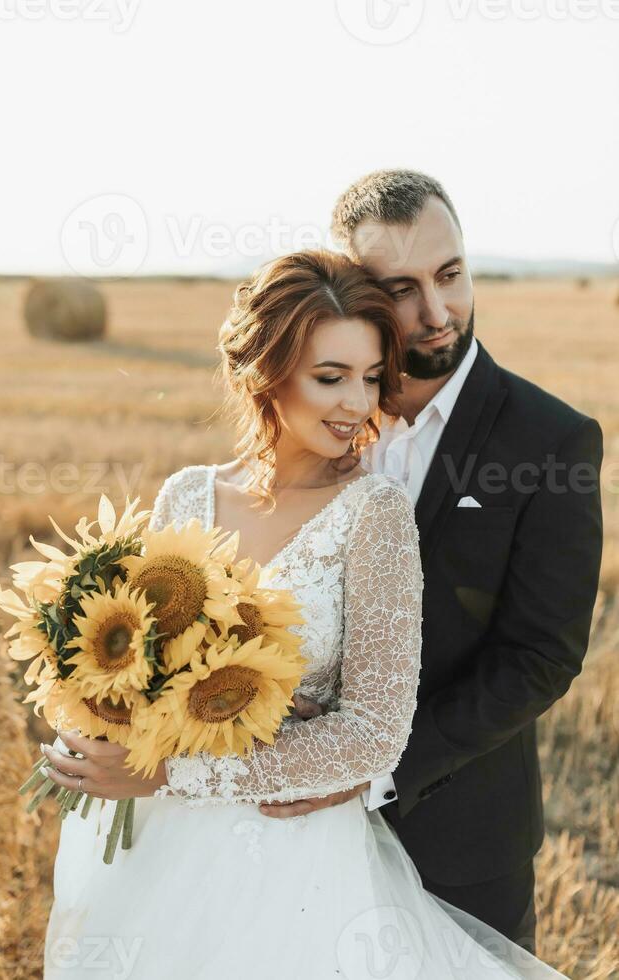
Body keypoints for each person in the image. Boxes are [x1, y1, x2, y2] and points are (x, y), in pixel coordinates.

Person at [42, 250, 569, 979]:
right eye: (331, 377)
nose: (358, 404)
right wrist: (92, 714)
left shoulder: (373, 514)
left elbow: (373, 735)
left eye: (372, 377)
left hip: (290, 867)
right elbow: (138, 666)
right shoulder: (187, 496)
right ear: (265, 369)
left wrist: (167, 776)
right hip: (152, 853)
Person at [259, 170, 604, 959]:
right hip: (286, 837)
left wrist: (370, 766)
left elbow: (541, 657)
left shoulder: (550, 441)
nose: (438, 311)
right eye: (402, 288)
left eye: (450, 275)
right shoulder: (314, 419)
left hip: (460, 844)